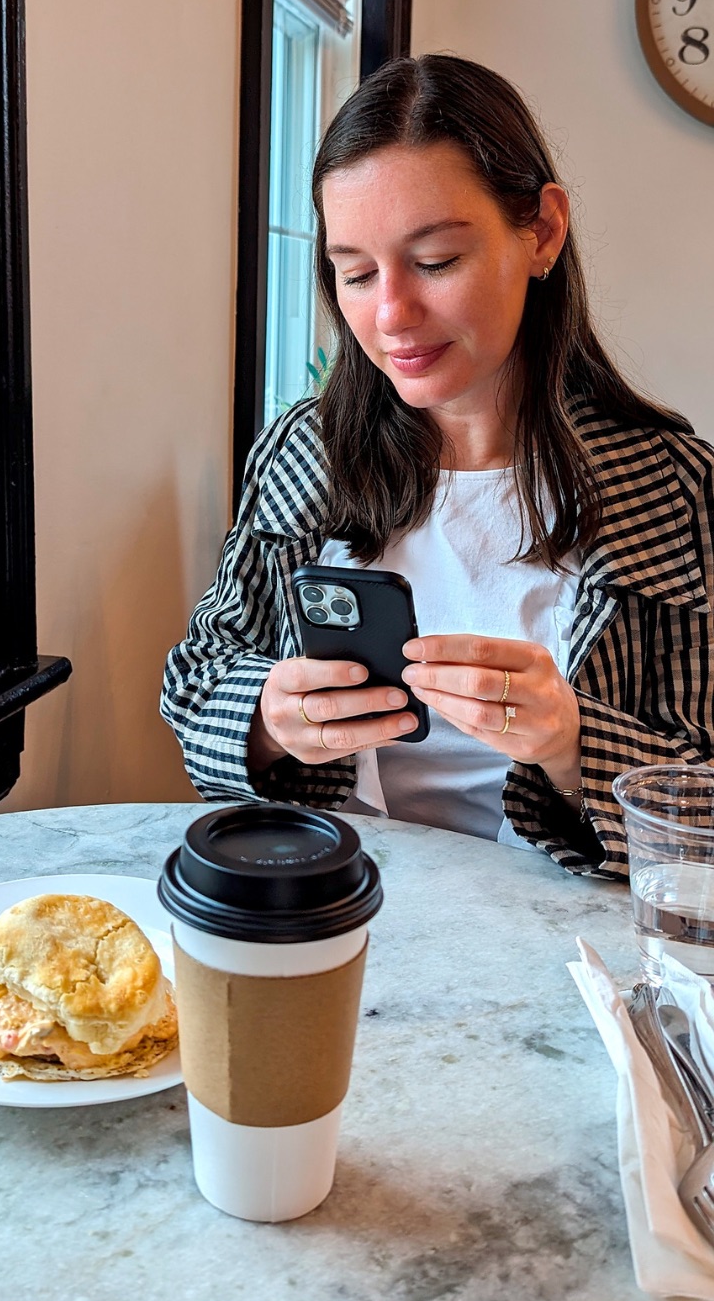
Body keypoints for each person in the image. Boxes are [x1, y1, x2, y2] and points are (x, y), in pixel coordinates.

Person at [161, 54, 712, 880]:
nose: (390, 316)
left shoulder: (674, 490)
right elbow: (197, 682)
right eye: (355, 273)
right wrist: (268, 717)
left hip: (566, 943)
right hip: (329, 909)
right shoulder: (301, 456)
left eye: (435, 261)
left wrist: (574, 743)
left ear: (542, 232)